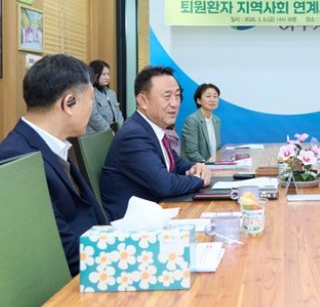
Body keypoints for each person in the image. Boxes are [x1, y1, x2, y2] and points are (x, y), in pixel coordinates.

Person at [0, 54, 107, 276]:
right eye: (91, 99)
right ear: (69, 103)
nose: (92, 108)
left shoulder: (52, 144)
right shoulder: (17, 159)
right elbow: (59, 252)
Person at [101, 66, 211, 220]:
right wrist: (199, 180)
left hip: (156, 211)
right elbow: (165, 185)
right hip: (133, 223)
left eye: (177, 96)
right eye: (167, 96)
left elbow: (176, 164)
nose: (174, 103)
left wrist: (198, 168)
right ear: (143, 101)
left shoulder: (152, 129)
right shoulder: (133, 135)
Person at [181, 83, 222, 162]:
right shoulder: (192, 120)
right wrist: (206, 165)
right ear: (199, 100)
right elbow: (192, 153)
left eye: (215, 96)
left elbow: (217, 148)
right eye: (208, 96)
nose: (212, 99)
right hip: (196, 166)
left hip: (213, 165)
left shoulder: (216, 120)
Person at [86, 60, 125, 134]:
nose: (107, 77)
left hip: (116, 133)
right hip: (98, 135)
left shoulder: (111, 93)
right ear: (94, 75)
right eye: (103, 74)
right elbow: (93, 116)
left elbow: (118, 113)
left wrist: (120, 129)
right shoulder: (90, 93)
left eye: (108, 74)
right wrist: (109, 130)